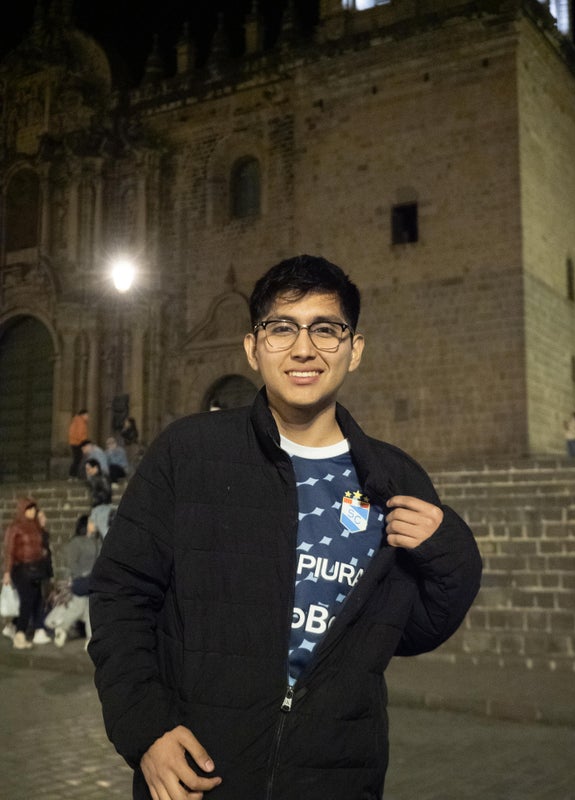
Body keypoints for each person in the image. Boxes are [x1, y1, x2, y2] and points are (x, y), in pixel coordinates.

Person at [89, 254, 482, 800]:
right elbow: (121, 595)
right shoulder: (189, 453)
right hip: (199, 778)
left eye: (325, 329)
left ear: (354, 349)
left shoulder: (396, 479)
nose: (303, 349)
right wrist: (147, 729)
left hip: (337, 778)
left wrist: (451, 551)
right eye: (281, 329)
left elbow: (409, 629)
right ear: (253, 348)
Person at [45, 514, 102, 650]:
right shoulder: (76, 542)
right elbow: (72, 563)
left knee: (89, 609)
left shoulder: (97, 541)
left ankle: (89, 637)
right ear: (84, 525)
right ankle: (64, 627)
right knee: (80, 607)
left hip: (93, 579)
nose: (94, 524)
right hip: (81, 581)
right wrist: (81, 574)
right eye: (91, 522)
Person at [2, 497, 53, 649]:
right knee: (27, 599)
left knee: (36, 599)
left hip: (35, 568)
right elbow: (9, 551)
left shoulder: (36, 526)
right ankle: (20, 633)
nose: (32, 511)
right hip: (21, 568)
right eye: (29, 509)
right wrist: (7, 572)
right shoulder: (15, 527)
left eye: (33, 508)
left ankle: (33, 630)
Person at [85, 459, 113, 539]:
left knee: (103, 529)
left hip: (102, 507)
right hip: (98, 507)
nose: (87, 471)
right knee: (91, 529)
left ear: (95, 468)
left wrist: (98, 500)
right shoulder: (95, 478)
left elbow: (107, 492)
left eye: (89, 469)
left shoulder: (101, 478)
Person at [68, 408, 89, 479]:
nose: (88, 417)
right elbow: (80, 434)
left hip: (74, 442)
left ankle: (73, 475)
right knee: (78, 459)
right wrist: (85, 442)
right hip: (78, 443)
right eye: (87, 415)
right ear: (83, 415)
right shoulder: (81, 422)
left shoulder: (76, 420)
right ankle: (73, 475)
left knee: (77, 459)